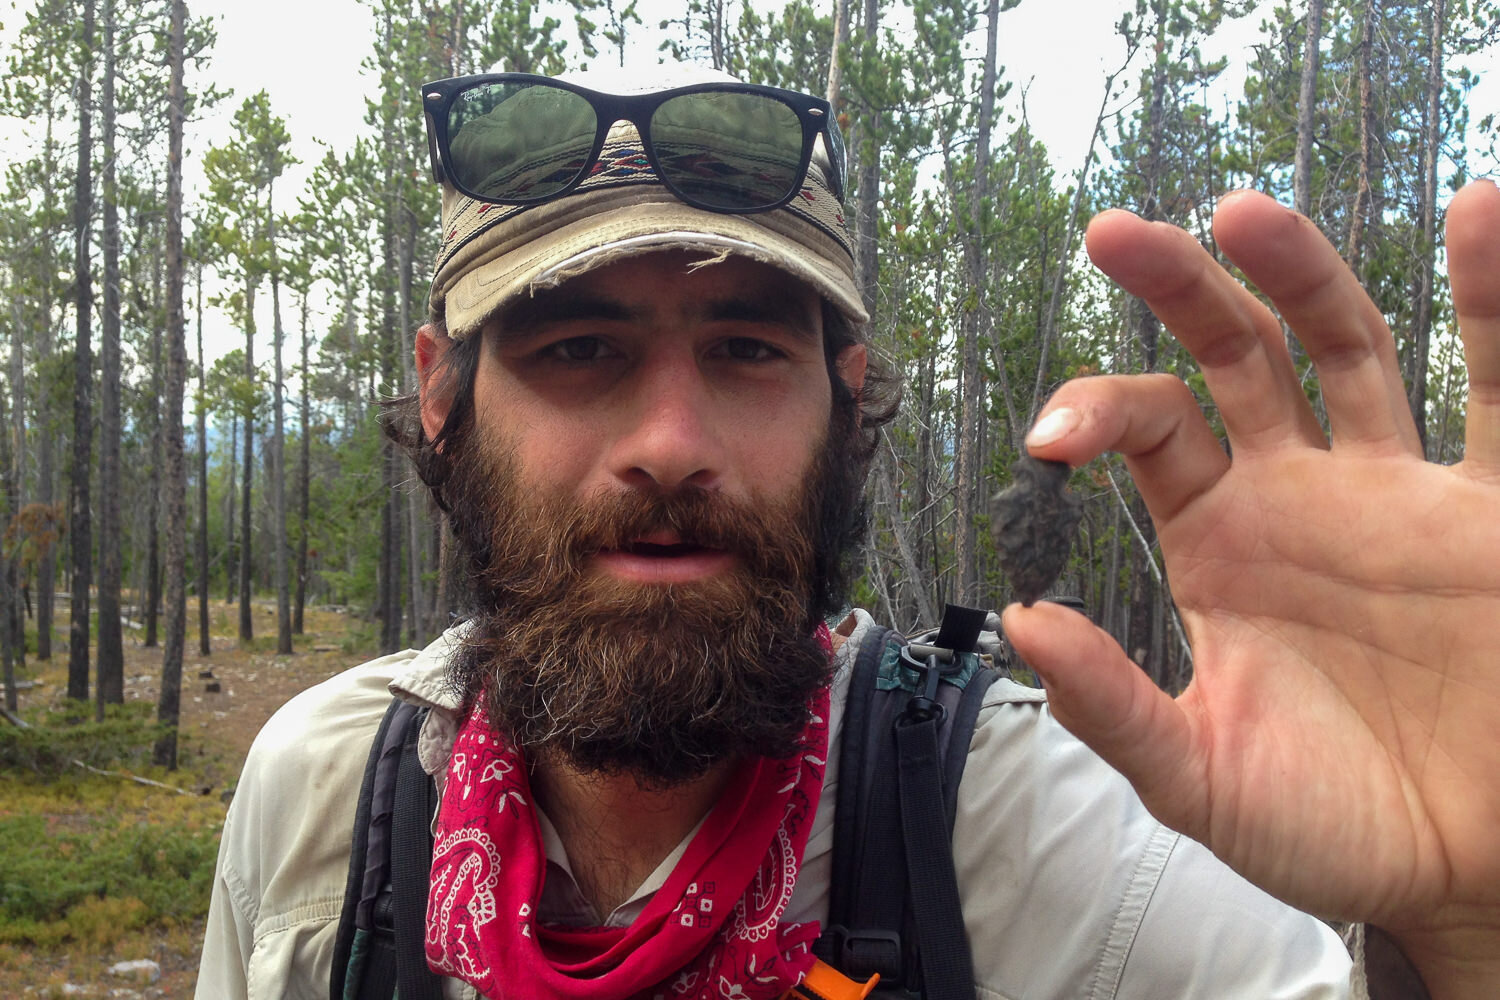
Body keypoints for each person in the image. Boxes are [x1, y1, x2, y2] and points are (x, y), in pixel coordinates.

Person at [194, 62, 1500, 1000]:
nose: (670, 439)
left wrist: (1463, 929)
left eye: (748, 349)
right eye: (578, 349)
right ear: (443, 398)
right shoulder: (329, 797)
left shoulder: (1006, 833)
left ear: (847, 395)